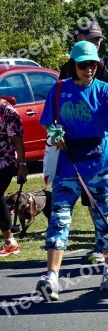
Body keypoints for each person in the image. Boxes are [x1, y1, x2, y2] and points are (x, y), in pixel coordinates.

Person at [36, 41, 108, 300]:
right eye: (83, 65)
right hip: (68, 165)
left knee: (106, 218)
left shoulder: (105, 89)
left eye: (93, 64)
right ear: (73, 66)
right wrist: (55, 135)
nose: (89, 69)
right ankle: (51, 276)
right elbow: (48, 123)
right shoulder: (59, 90)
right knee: (59, 219)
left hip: (101, 163)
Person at [58, 22, 108, 263]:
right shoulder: (67, 69)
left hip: (103, 139)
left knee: (106, 200)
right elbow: (60, 107)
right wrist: (57, 133)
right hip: (74, 151)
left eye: (99, 39)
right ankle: (100, 239)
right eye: (92, 38)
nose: (97, 43)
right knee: (87, 197)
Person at [0, 97, 26, 257]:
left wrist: (22, 165)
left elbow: (18, 141)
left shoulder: (8, 111)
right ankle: (10, 241)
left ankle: (10, 241)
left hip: (4, 162)